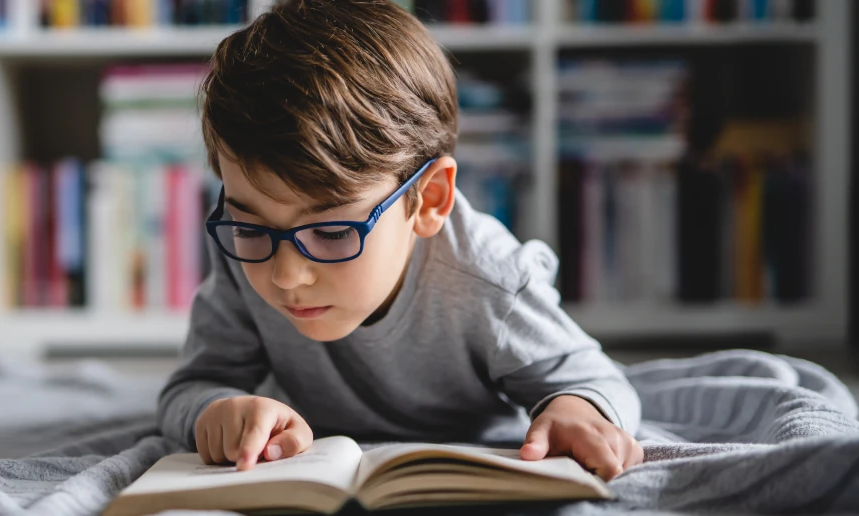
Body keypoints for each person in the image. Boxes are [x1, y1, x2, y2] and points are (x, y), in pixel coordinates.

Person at [158, 0, 643, 481]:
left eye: (330, 231)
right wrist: (214, 410)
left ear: (429, 200)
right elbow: (193, 385)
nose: (285, 274)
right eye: (248, 226)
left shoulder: (489, 282)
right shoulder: (249, 258)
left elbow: (596, 381)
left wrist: (577, 411)